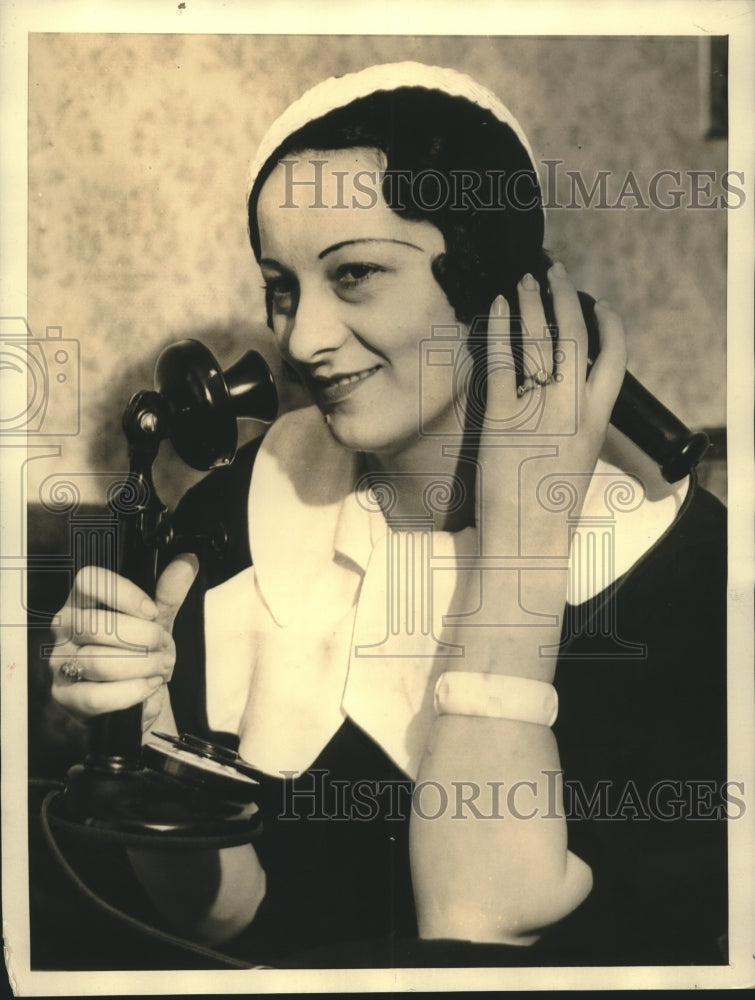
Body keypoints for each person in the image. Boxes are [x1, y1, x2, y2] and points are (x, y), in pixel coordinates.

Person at [48, 62, 727, 967]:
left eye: (356, 274)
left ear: (495, 285)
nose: (300, 338)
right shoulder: (230, 518)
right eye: (281, 285)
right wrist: (150, 741)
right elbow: (226, 920)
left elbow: (476, 926)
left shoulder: (681, 567)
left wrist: (522, 552)